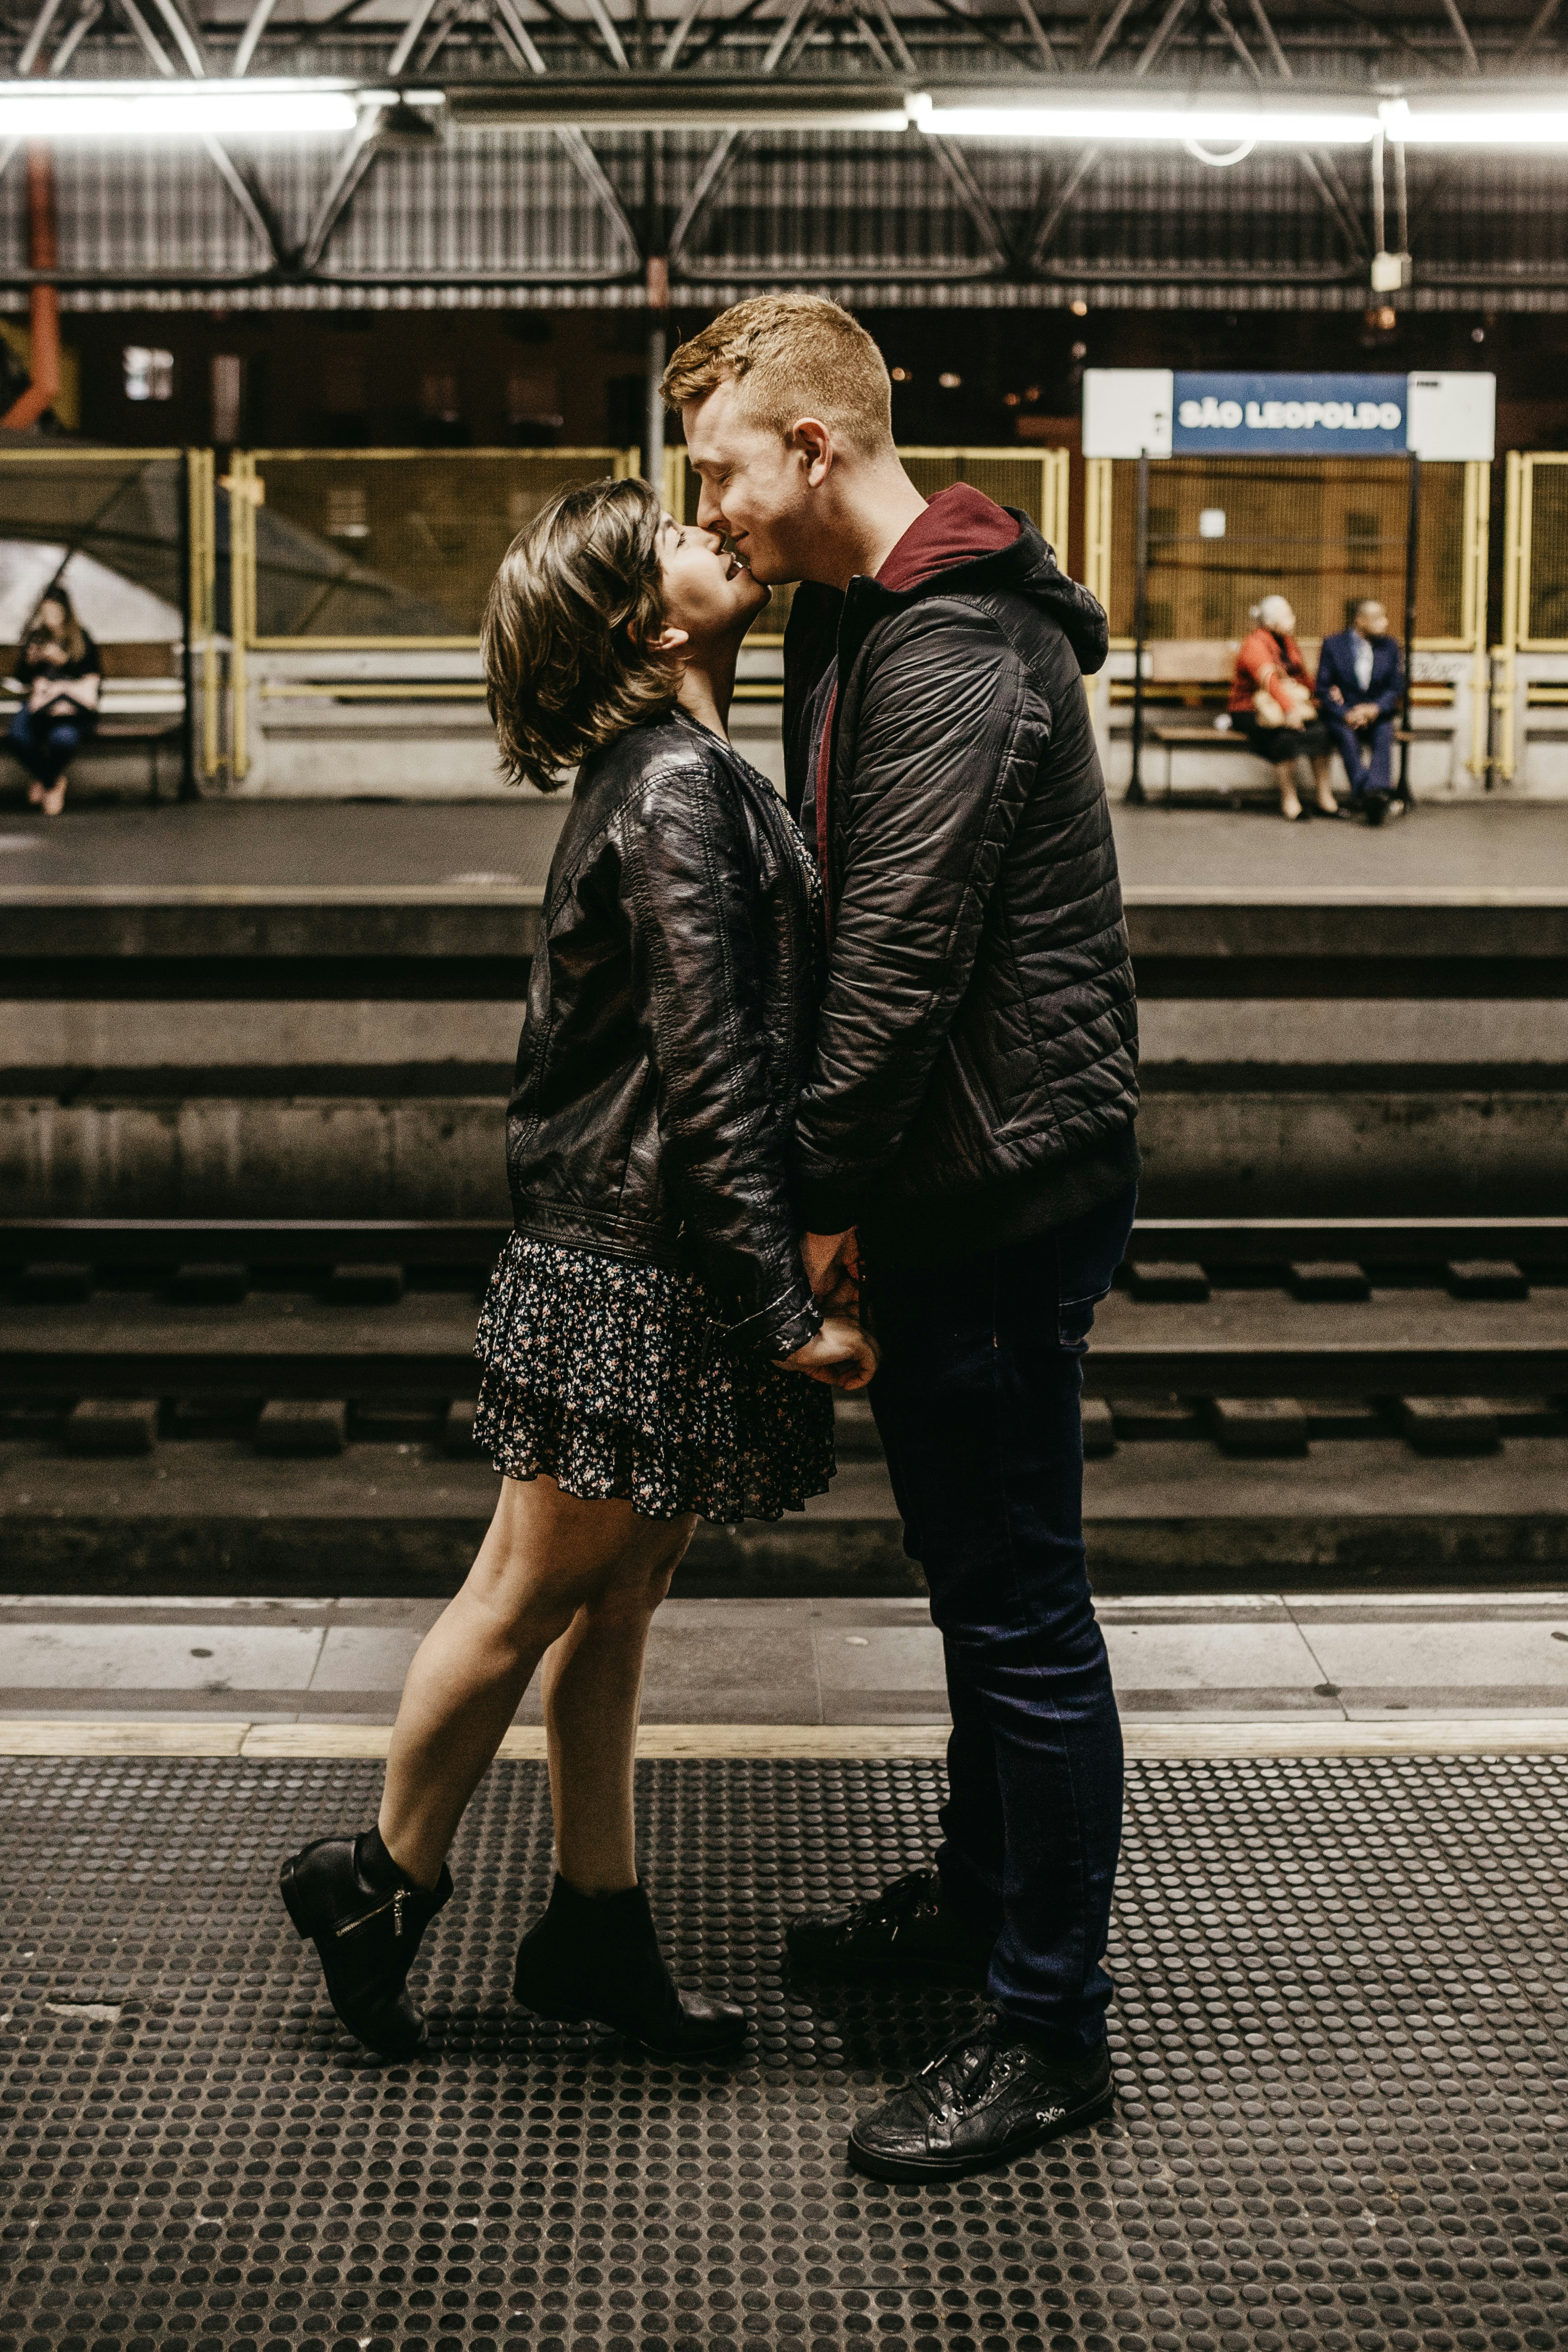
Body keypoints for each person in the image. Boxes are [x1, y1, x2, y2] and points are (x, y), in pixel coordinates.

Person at [280, 475, 877, 2064]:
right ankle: (376, 1880)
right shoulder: (678, 786)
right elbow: (711, 1069)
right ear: (646, 619)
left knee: (614, 1598)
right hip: (630, 1260)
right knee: (531, 1588)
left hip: (637, 1249)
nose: (717, 535)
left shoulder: (681, 768)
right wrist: (781, 1307)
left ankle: (596, 1929)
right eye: (683, 538)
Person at [665, 293, 1139, 2183]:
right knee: (970, 1582)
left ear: (807, 450)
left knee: (1018, 1603)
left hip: (996, 1188)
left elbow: (881, 987)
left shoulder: (950, 656)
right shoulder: (857, 624)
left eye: (716, 468)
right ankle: (972, 1904)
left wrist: (813, 1215)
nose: (705, 506)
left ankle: (1045, 2028)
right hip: (954, 1172)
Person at [1229, 593, 1340, 822]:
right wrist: (1290, 711)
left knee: (1321, 732)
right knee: (1285, 738)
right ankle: (1290, 800)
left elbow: (1301, 676)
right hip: (1251, 710)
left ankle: (1324, 798)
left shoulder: (1287, 642)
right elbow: (1270, 681)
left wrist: (1321, 695)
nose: (1293, 619)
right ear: (1271, 621)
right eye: (1288, 615)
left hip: (1284, 707)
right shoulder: (1255, 644)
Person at [6, 584, 102, 817]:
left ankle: (46, 783)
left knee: (63, 739)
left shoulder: (81, 638)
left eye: (56, 613)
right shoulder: (37, 637)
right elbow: (21, 679)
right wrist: (30, 663)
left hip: (71, 709)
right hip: (41, 706)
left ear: (66, 612)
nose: (51, 619)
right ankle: (51, 782)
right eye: (46, 613)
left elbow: (93, 677)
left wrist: (65, 662)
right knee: (17, 737)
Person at [1318, 597, 1405, 825]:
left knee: (1384, 732)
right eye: (1378, 619)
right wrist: (1346, 713)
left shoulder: (1391, 647)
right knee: (1345, 735)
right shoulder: (1333, 645)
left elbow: (1396, 687)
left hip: (1377, 714)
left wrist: (1374, 709)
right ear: (1360, 620)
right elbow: (1324, 687)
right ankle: (1375, 796)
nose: (1385, 623)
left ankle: (1370, 793)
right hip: (1345, 715)